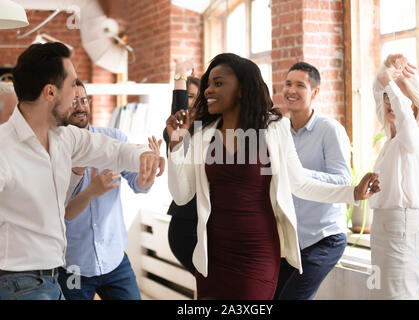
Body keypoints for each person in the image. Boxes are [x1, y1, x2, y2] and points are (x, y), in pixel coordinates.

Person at [165, 53, 380, 300]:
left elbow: (299, 183)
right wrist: (176, 142)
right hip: (213, 252)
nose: (208, 91)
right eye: (209, 85)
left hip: (256, 251)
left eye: (219, 83)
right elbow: (182, 195)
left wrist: (352, 192)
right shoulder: (204, 134)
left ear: (242, 89)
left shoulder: (274, 128)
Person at [0, 42, 164, 300]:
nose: (77, 95)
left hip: (49, 277)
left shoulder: (64, 138)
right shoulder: (4, 147)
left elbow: (113, 150)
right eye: (72, 84)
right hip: (18, 282)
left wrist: (143, 155)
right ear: (51, 92)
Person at [56, 79, 156, 300]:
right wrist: (91, 190)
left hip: (114, 261)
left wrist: (147, 177)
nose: (81, 106)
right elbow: (60, 212)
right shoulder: (54, 150)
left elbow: (138, 184)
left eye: (84, 100)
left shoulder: (114, 138)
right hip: (74, 266)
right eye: (73, 101)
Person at [274, 62, 351, 300]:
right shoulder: (279, 130)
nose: (291, 90)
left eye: (300, 85)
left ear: (315, 92)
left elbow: (343, 181)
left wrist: (299, 174)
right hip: (291, 241)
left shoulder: (330, 130)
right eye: (288, 84)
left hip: (323, 237)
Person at [369, 54, 419, 300]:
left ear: (413, 104)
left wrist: (389, 83)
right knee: (379, 296)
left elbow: (403, 115)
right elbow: (378, 92)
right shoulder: (392, 138)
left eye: (396, 96)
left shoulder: (415, 138)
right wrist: (386, 63)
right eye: (388, 97)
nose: (389, 101)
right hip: (382, 230)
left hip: (402, 230)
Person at [163, 61, 200, 275]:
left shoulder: (213, 129)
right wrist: (180, 75)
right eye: (186, 95)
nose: (189, 101)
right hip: (186, 225)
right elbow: (179, 109)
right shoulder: (177, 131)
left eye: (194, 96)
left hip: (209, 224)